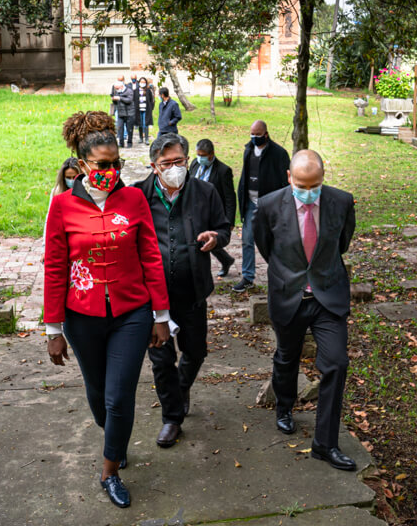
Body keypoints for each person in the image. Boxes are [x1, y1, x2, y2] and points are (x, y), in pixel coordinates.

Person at [43, 111, 171, 508]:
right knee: (98, 394)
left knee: (119, 397)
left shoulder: (133, 199)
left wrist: (161, 316)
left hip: (132, 313)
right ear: (82, 165)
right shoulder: (62, 207)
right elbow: (54, 266)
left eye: (116, 163)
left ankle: (109, 470)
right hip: (82, 318)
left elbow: (151, 254)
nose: (111, 171)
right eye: (103, 165)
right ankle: (115, 439)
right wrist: (53, 328)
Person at [253, 149, 357, 472]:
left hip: (328, 297)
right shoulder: (270, 205)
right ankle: (284, 407)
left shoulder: (341, 202)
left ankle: (325, 443)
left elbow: (343, 243)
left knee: (337, 363)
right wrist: (290, 274)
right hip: (289, 295)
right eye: (301, 184)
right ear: (289, 177)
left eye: (314, 185)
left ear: (323, 179)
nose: (308, 192)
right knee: (287, 357)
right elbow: (265, 245)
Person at [134, 133, 231, 448]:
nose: (174, 168)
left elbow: (225, 227)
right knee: (161, 359)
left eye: (179, 161)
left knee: (195, 350)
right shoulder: (138, 196)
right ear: (154, 166)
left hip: (192, 288)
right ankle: (172, 418)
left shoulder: (205, 192)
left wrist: (216, 237)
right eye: (167, 163)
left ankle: (181, 387)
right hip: (152, 296)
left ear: (187, 161)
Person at [233, 120, 289, 293]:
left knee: (274, 242)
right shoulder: (248, 150)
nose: (254, 137)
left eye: (257, 134)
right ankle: (248, 277)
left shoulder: (279, 153)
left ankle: (279, 276)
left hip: (271, 205)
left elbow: (285, 181)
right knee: (247, 240)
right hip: (251, 202)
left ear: (266, 133)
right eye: (252, 134)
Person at [189, 139, 236, 277]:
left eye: (203, 155)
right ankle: (226, 259)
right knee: (199, 238)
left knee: (206, 238)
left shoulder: (223, 171)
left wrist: (230, 220)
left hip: (212, 211)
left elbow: (229, 197)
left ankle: (223, 261)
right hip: (194, 208)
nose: (200, 158)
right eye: (198, 154)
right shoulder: (194, 164)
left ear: (211, 154)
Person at [43, 157, 80, 242]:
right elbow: (49, 220)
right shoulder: (57, 192)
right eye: (68, 177)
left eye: (74, 177)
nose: (71, 181)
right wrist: (44, 245)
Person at [111, 76, 134, 148]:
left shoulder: (129, 91)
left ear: (121, 87)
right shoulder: (117, 92)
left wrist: (120, 98)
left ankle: (129, 142)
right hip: (121, 113)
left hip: (129, 113)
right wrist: (114, 99)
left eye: (117, 88)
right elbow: (115, 102)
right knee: (120, 128)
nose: (116, 90)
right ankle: (121, 143)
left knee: (129, 129)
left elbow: (129, 100)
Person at [134, 77, 155, 145]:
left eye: (144, 82)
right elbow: (134, 100)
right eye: (141, 82)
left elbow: (151, 100)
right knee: (140, 124)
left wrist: (151, 108)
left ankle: (146, 139)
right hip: (138, 110)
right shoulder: (136, 91)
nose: (142, 84)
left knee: (145, 124)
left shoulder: (148, 91)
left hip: (146, 110)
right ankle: (140, 138)